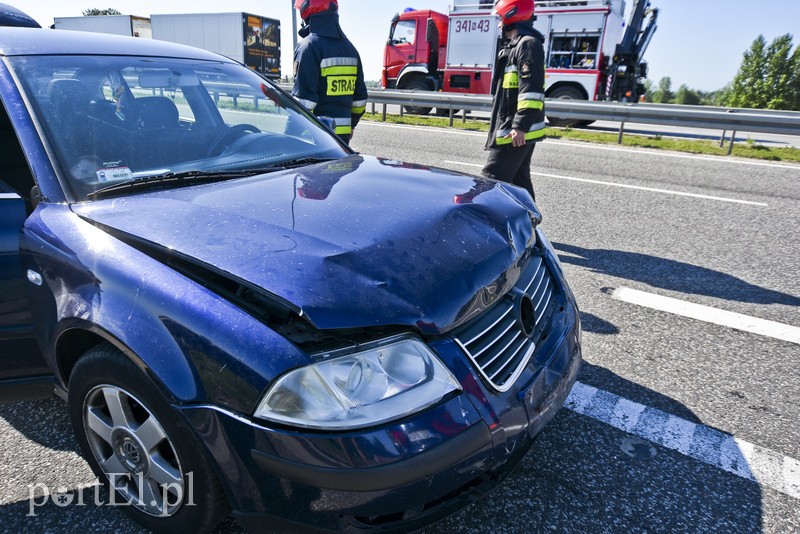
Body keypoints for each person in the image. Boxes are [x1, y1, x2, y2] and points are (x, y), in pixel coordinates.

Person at [481, 0, 545, 201]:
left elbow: (532, 91)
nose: (499, 25)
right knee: (519, 184)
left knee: (489, 181)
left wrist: (520, 126)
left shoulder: (527, 45)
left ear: (512, 16)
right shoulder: (515, 47)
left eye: (501, 19)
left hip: (514, 131)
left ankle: (479, 228)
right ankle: (530, 224)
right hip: (512, 129)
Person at [292, 0, 368, 145]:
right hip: (343, 139)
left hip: (315, 138)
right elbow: (360, 101)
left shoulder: (308, 47)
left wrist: (289, 132)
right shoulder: (351, 49)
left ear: (307, 11)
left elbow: (304, 102)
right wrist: (351, 125)